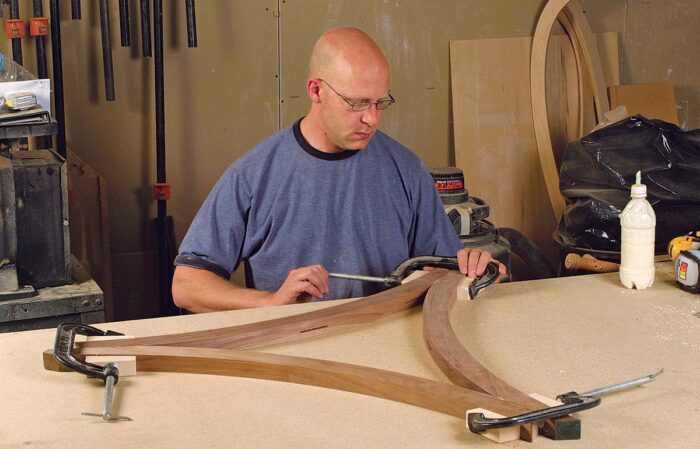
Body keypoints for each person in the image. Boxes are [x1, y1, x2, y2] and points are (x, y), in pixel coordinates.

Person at [172, 27, 506, 313]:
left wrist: (474, 270)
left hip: (389, 349)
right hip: (294, 353)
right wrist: (270, 302)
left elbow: (443, 272)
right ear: (316, 90)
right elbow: (187, 285)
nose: (372, 118)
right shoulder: (254, 176)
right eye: (357, 103)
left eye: (379, 102)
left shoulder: (406, 168)